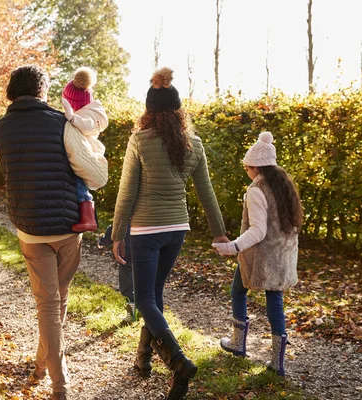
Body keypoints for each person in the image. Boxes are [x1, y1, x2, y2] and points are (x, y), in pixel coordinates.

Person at [111, 67, 228, 400]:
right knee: (154, 297)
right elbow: (206, 192)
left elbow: (126, 191)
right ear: (179, 111)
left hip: (146, 230)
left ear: (148, 112)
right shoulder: (194, 144)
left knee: (144, 297)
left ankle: (177, 361)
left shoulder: (140, 140)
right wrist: (219, 232)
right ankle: (143, 361)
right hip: (177, 229)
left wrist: (118, 232)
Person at [0, 65, 108, 400]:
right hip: (68, 226)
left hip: (29, 227)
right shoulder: (61, 122)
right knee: (57, 301)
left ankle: (43, 368)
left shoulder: (0, 129)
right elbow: (95, 176)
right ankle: (60, 386)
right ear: (43, 91)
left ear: (12, 91)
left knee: (48, 304)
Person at [212, 131, 303, 377]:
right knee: (275, 301)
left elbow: (258, 231)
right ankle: (277, 361)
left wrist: (232, 247)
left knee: (238, 290)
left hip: (260, 257)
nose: (246, 172)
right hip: (282, 255)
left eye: (246, 167)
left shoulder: (257, 190)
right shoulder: (283, 186)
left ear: (254, 166)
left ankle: (238, 343)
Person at [61, 67, 108, 232]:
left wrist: (72, 117)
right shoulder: (86, 113)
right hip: (82, 149)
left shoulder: (89, 115)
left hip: (87, 151)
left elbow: (87, 125)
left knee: (80, 183)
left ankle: (88, 218)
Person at [97, 224, 136, 323]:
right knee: (145, 286)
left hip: (126, 257)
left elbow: (115, 227)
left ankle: (131, 314)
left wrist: (103, 241)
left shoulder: (124, 216)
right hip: (146, 254)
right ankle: (146, 313)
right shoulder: (145, 215)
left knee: (128, 287)